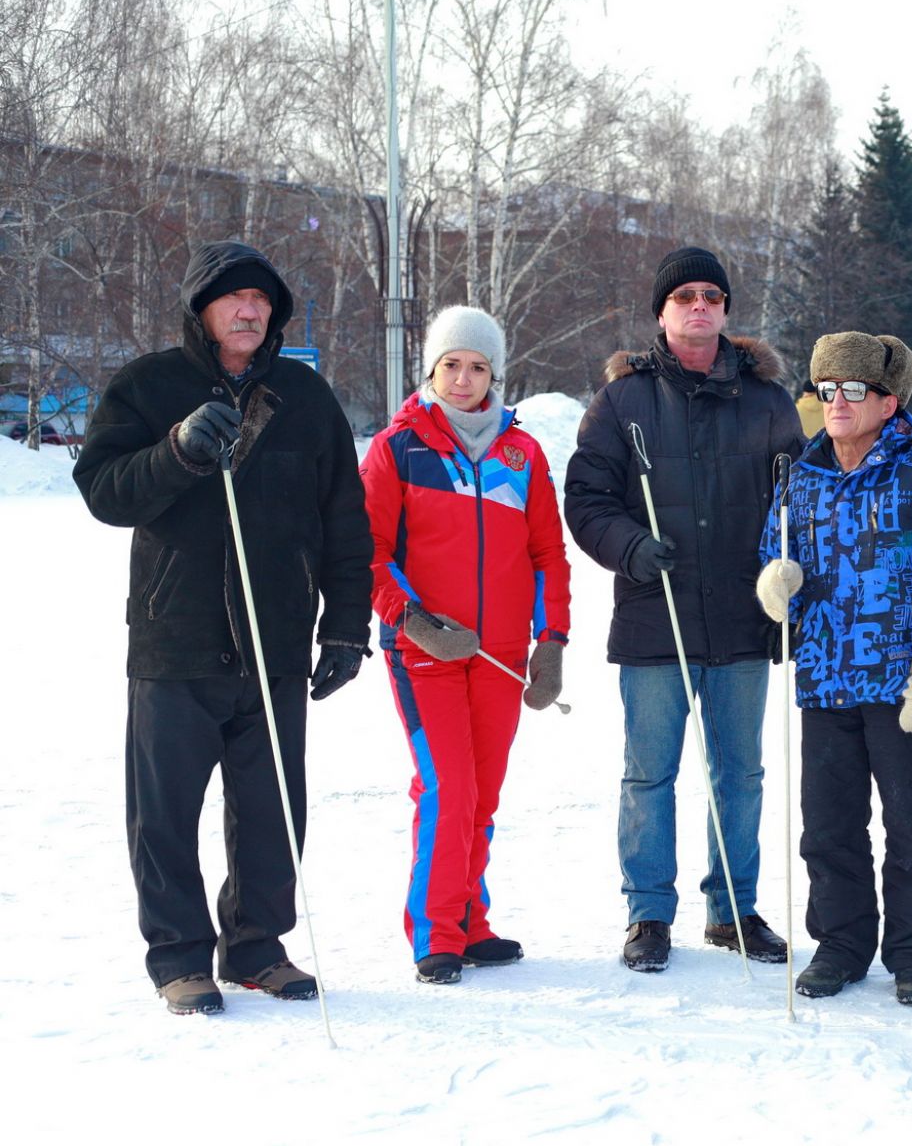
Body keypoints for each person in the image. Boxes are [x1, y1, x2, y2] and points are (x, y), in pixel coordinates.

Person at [73, 241, 373, 1015]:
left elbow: (345, 521)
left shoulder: (305, 397)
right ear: (201, 308)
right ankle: (179, 957)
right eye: (234, 298)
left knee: (274, 808)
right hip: (176, 639)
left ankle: (256, 946)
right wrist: (175, 452)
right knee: (165, 812)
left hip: (275, 640)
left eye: (263, 300)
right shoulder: (148, 385)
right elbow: (105, 490)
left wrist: (343, 630)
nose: (250, 309)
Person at [564, 246, 804, 972]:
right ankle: (648, 913)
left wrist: (786, 578)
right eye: (684, 296)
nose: (699, 305)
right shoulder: (622, 402)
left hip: (741, 618)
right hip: (654, 616)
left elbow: (800, 504)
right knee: (649, 773)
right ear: (662, 312)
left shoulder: (767, 402)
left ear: (726, 309)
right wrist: (632, 546)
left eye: (712, 295)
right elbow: (586, 498)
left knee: (741, 772)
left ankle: (733, 908)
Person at [755, 332, 912, 1008]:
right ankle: (841, 943)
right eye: (827, 389)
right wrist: (777, 579)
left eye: (854, 389)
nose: (838, 402)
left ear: (889, 400)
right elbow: (776, 546)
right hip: (824, 679)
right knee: (827, 825)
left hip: (903, 686)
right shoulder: (801, 475)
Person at [360, 306, 572, 985]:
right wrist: (413, 619)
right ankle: (436, 931)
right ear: (431, 367)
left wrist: (553, 641)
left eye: (477, 366)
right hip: (426, 652)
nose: (463, 377)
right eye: (451, 363)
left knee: (482, 793)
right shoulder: (398, 448)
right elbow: (368, 552)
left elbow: (548, 555)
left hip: (501, 654)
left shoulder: (522, 453)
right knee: (448, 787)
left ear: (495, 374)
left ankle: (470, 920)